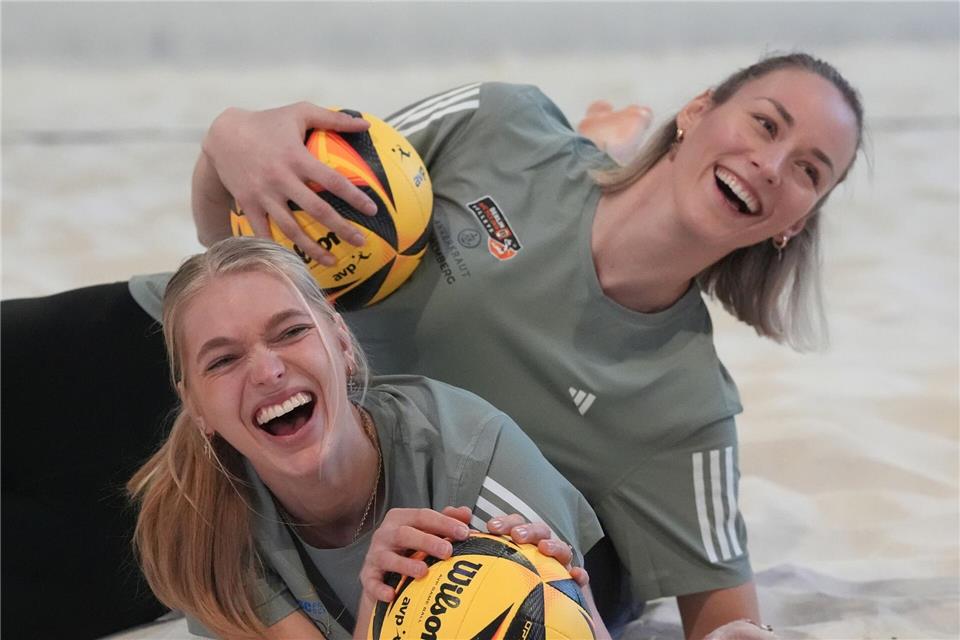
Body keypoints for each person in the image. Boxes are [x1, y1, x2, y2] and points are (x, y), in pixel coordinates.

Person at [0, 52, 862, 639]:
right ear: (699, 110)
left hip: (241, 511)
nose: (771, 164)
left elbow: (726, 615)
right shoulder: (503, 123)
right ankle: (611, 130)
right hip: (162, 347)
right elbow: (246, 235)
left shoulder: (686, 409)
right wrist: (227, 139)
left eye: (809, 170)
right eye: (765, 122)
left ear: (798, 225)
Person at [127, 236, 609, 639]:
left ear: (340, 344)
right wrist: (376, 613)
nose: (267, 371)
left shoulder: (476, 465)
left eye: (291, 331)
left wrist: (571, 601)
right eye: (223, 360)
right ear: (196, 408)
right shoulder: (205, 521)